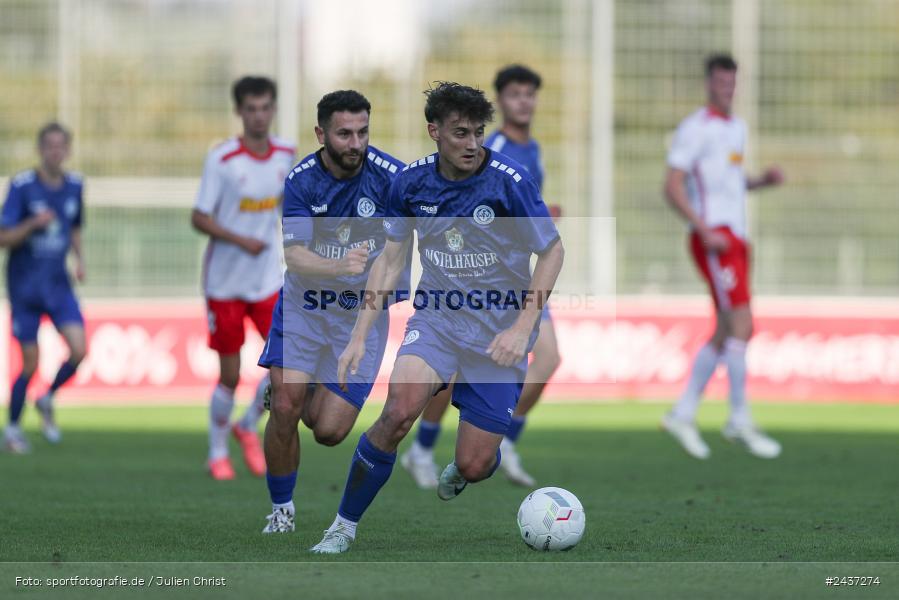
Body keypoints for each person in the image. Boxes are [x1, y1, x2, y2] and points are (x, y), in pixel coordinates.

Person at [310, 82, 564, 554]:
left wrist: (523, 327)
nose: (472, 144)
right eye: (460, 133)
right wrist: (360, 334)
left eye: (479, 133)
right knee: (398, 412)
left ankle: (468, 464)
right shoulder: (409, 183)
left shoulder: (510, 182)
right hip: (438, 322)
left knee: (473, 464)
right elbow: (388, 261)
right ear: (434, 132)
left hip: (499, 336)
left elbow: (552, 251)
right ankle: (343, 526)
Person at [401, 65, 559, 489]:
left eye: (530, 94)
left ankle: (493, 441)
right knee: (449, 369)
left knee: (546, 359)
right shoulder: (497, 149)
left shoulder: (531, 149)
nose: (524, 102)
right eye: (515, 94)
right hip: (480, 287)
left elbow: (529, 220)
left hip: (515, 280)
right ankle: (426, 446)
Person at [256, 90, 405, 534]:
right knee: (285, 405)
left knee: (329, 431)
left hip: (360, 316)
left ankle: (302, 387)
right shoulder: (301, 180)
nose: (355, 143)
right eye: (343, 134)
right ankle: (281, 511)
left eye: (362, 133)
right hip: (304, 305)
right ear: (321, 134)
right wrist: (339, 266)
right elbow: (295, 255)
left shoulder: (391, 179)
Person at [662, 54, 784, 460]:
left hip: (736, 238)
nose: (726, 89)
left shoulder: (737, 129)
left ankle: (683, 413)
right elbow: (673, 186)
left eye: (731, 83)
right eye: (719, 83)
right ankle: (738, 417)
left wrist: (761, 182)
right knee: (743, 324)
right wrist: (703, 228)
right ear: (708, 83)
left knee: (726, 329)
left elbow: (729, 183)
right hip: (714, 238)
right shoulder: (696, 129)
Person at [191, 76, 295, 480]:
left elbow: (288, 208)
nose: (259, 116)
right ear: (240, 112)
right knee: (231, 375)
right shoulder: (222, 159)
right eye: (251, 108)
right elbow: (199, 216)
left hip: (268, 280)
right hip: (225, 283)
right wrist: (240, 239)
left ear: (273, 109)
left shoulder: (286, 153)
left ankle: (248, 424)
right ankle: (217, 452)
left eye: (265, 107)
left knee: (284, 366)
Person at [1, 122, 87, 453]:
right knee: (29, 364)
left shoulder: (75, 185)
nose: (55, 151)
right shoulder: (22, 187)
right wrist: (31, 224)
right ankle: (12, 429)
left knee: (79, 349)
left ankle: (48, 397)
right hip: (25, 288)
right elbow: (3, 237)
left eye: (60, 146)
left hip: (58, 284)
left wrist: (80, 260)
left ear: (67, 150)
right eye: (49, 145)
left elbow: (76, 225)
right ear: (40, 150)